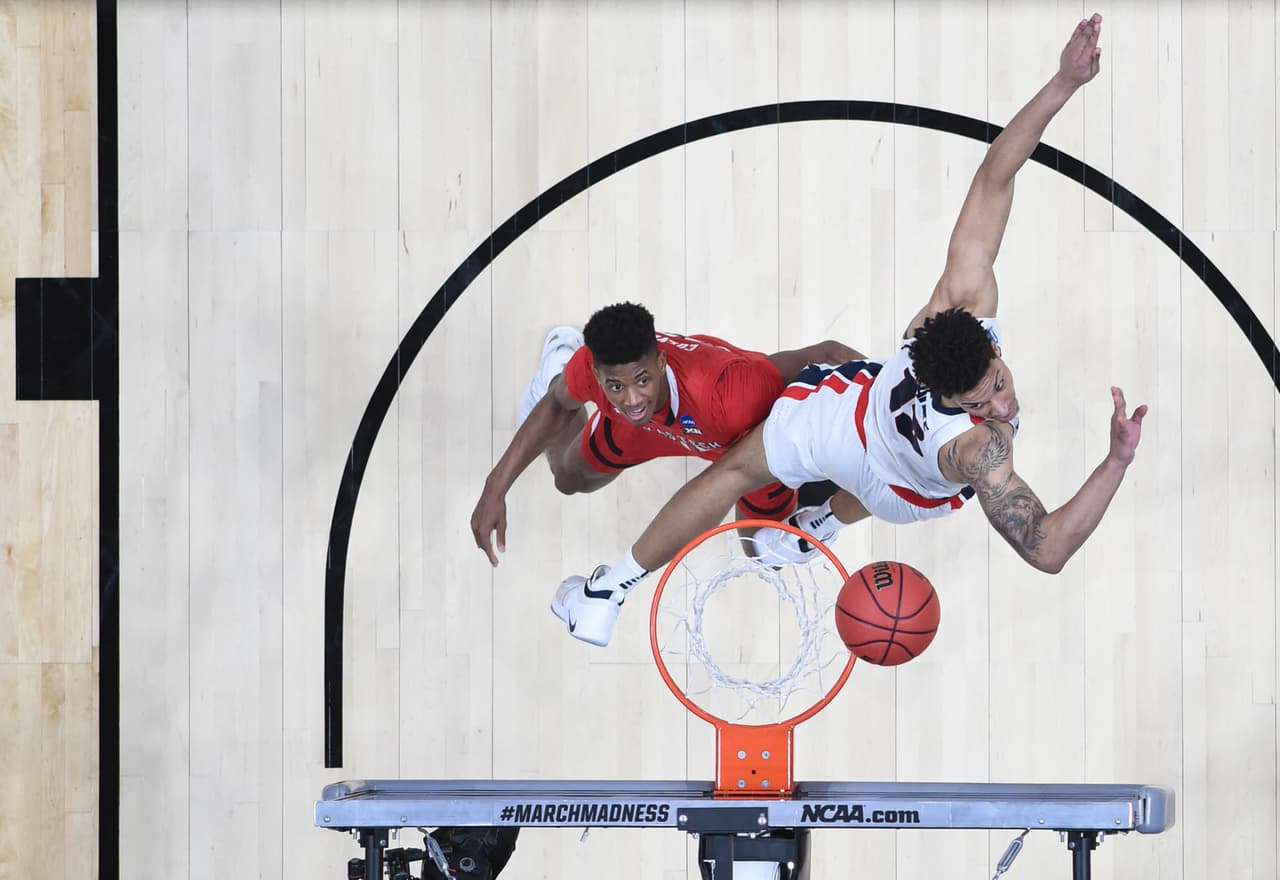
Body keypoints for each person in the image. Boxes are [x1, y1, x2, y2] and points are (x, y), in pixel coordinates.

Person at [555, 13, 1148, 648]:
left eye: (996, 382)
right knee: (734, 485)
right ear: (950, 398)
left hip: (852, 421)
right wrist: (1115, 460)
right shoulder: (981, 451)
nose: (1002, 403)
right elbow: (1049, 549)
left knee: (743, 486)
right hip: (889, 470)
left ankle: (609, 588)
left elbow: (994, 178)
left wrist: (1063, 82)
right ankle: (617, 589)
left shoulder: (958, 303)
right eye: (981, 402)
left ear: (983, 340)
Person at [470, 302, 859, 638]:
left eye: (642, 380)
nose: (633, 397)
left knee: (763, 553)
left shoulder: (733, 391)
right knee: (568, 480)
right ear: (598, 374)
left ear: (661, 361)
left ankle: (816, 496)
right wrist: (496, 487)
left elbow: (824, 353)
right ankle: (557, 362)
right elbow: (559, 404)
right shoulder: (597, 372)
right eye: (615, 386)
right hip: (649, 431)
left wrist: (873, 396)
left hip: (742, 444)